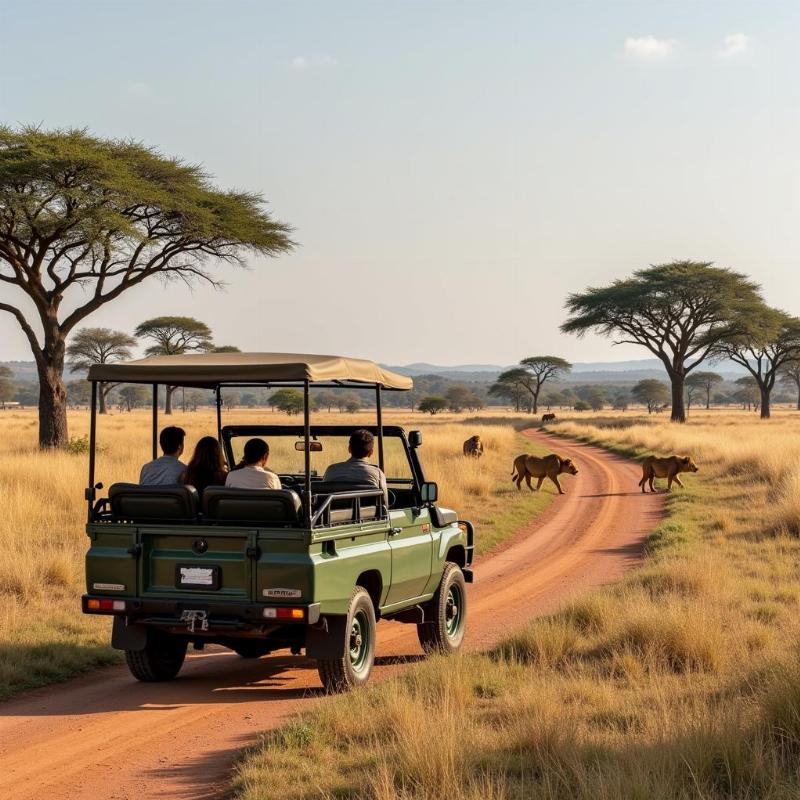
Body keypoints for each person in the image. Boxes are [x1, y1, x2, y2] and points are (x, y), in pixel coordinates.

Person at [323, 429, 388, 504]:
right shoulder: (377, 473)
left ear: (349, 449)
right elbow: (384, 504)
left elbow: (323, 497)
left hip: (332, 515)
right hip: (368, 515)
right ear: (371, 452)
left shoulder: (331, 470)